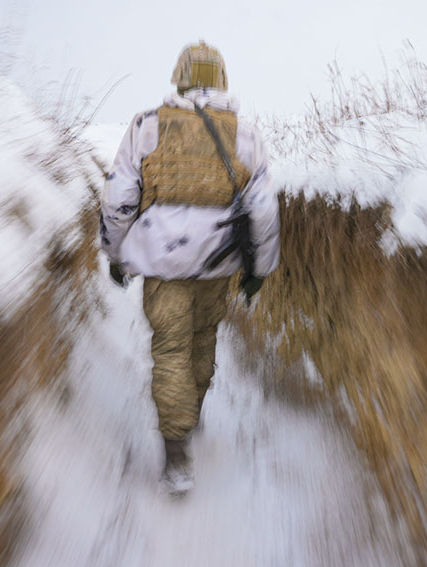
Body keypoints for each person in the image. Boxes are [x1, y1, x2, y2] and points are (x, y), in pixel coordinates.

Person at [99, 41, 279, 496]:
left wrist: (116, 254)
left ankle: (176, 453)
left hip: (163, 264)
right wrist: (258, 269)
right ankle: (191, 414)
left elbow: (119, 199)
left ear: (178, 78)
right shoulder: (245, 134)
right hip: (218, 264)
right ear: (222, 79)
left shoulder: (147, 125)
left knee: (171, 349)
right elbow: (263, 211)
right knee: (202, 339)